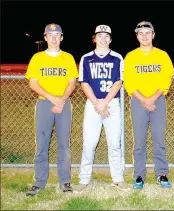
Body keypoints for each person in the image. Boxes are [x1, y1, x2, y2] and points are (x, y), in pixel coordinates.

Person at [72, 25, 129, 193]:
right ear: (94, 38)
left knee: (114, 143)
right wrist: (97, 103)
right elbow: (84, 82)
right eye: (100, 35)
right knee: (89, 143)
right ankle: (84, 179)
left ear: (110, 39)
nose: (103, 39)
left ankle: (118, 179)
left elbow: (118, 82)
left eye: (106, 36)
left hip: (112, 103)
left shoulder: (117, 57)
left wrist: (105, 102)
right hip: (93, 103)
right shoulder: (86, 58)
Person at [25, 23, 78, 196]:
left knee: (64, 145)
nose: (54, 38)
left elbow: (72, 82)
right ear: (45, 37)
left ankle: (65, 181)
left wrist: (61, 99)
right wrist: (52, 98)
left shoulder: (68, 58)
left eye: (57, 35)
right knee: (42, 144)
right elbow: (33, 83)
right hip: (44, 104)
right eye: (50, 35)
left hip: (63, 104)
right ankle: (39, 181)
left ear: (61, 37)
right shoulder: (38, 58)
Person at [123, 21, 174, 189]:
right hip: (138, 102)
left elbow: (166, 80)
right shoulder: (130, 56)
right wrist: (144, 100)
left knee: (159, 140)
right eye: (141, 33)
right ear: (137, 36)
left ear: (153, 35)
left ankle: (161, 174)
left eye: (148, 32)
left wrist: (152, 98)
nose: (144, 36)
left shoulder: (162, 55)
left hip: (158, 101)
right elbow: (128, 83)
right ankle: (139, 175)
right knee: (139, 141)